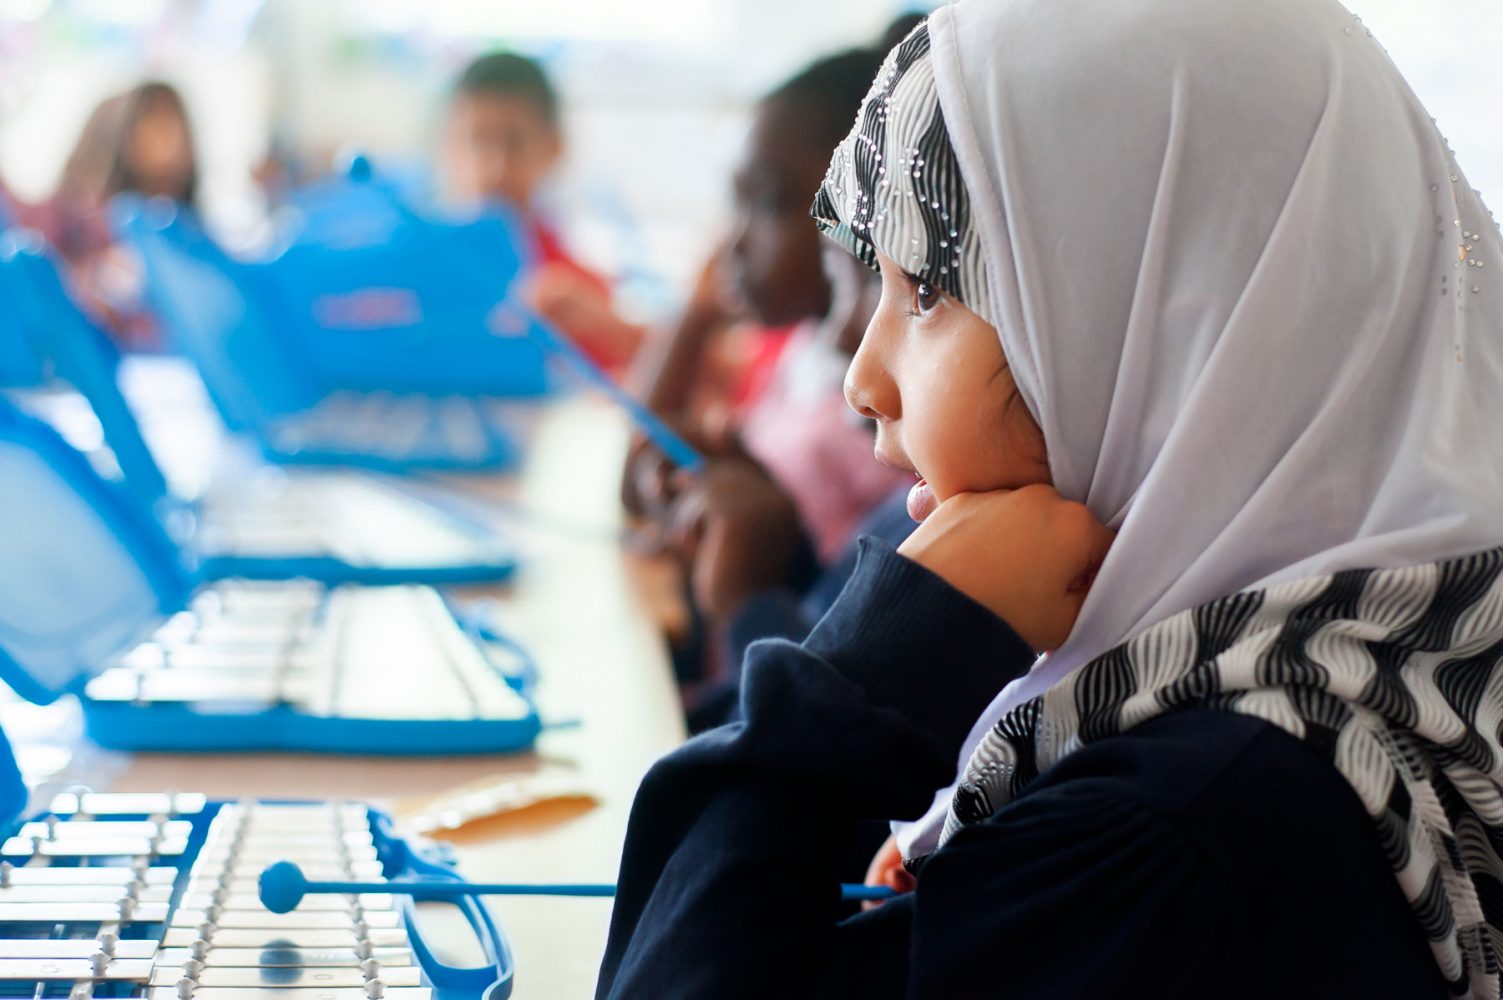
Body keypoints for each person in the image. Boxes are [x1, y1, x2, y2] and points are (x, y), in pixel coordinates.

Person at [596, 1, 1503, 996]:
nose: (863, 378)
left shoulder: (1168, 834)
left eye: (930, 291)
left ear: (1166, 332)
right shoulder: (1366, 674)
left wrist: (869, 670)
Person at [443, 50, 642, 370]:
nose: (495, 167)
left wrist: (614, 331)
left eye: (514, 142)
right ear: (448, 145)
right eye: (477, 139)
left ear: (554, 147)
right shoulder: (405, 280)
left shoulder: (582, 298)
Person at [27, 82, 198, 350]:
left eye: (175, 122)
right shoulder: (72, 215)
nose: (170, 137)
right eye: (153, 118)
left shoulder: (183, 228)